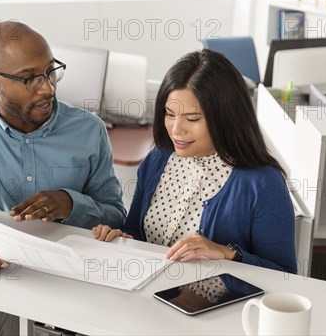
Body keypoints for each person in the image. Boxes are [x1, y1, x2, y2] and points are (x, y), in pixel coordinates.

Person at [0, 21, 125, 271]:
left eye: (51, 71)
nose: (48, 88)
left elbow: (115, 214)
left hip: (65, 272)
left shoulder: (90, 129)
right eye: (29, 79)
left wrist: (72, 204)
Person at [93, 49, 297, 273]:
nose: (176, 129)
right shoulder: (157, 159)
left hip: (213, 306)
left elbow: (284, 273)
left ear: (226, 117)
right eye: (170, 114)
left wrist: (228, 253)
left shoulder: (263, 183)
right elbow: (137, 233)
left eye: (192, 118)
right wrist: (120, 236)